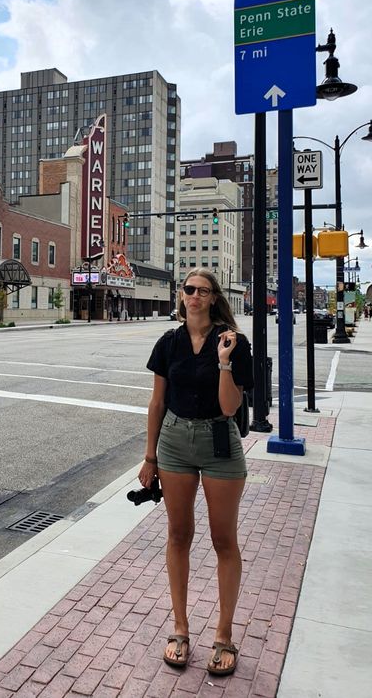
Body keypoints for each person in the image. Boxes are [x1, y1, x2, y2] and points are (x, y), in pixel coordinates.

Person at [139, 267, 254, 677]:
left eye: (203, 291)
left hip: (219, 441)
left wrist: (224, 363)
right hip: (173, 443)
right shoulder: (168, 343)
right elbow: (156, 403)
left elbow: (229, 408)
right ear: (181, 295)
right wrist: (149, 457)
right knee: (178, 535)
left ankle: (224, 635)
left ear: (214, 298)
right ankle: (180, 628)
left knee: (224, 539)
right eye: (189, 289)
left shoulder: (233, 343)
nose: (194, 296)